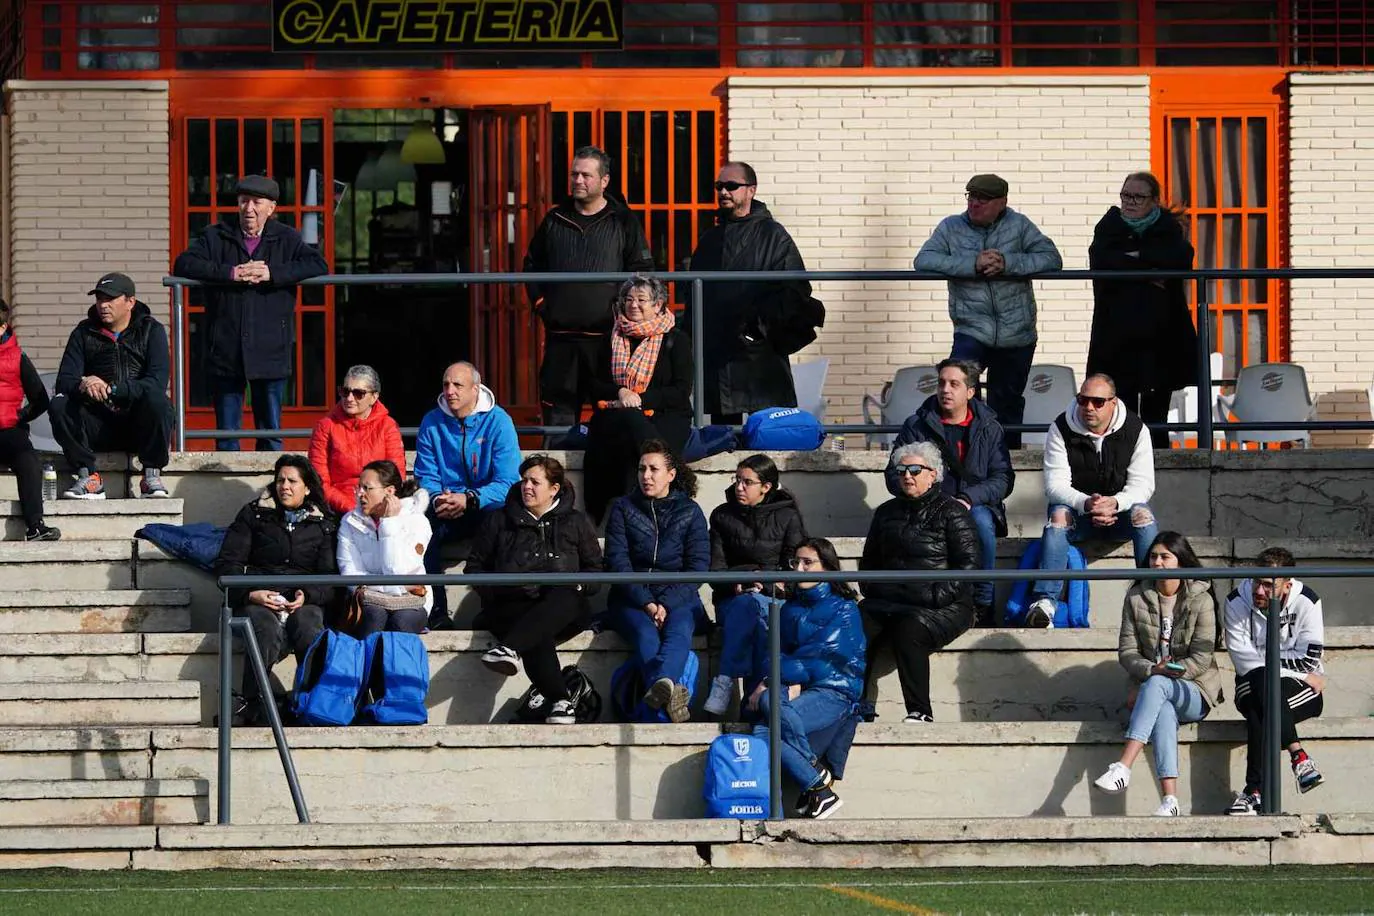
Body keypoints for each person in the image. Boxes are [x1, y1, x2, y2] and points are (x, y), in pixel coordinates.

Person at [172, 174, 328, 451]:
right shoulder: (216, 234)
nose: (249, 209)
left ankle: (273, 485)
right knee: (226, 434)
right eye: (244, 201)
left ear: (271, 208)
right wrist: (230, 273)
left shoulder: (286, 238)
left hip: (270, 344)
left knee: (270, 430)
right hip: (226, 344)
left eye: (257, 202)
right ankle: (225, 486)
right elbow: (184, 263)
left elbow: (317, 264)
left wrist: (272, 273)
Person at [914, 174, 1062, 448]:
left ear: (1002, 202)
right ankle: (962, 455)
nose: (975, 204)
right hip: (971, 329)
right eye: (971, 197)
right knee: (957, 390)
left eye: (983, 199)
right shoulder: (951, 227)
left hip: (1017, 332)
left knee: (1007, 403)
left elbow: (1052, 259)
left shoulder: (1019, 226)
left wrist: (1008, 263)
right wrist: (973, 264)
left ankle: (1008, 463)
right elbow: (923, 260)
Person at [523, 146, 655, 430]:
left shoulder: (623, 221)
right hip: (561, 340)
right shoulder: (554, 220)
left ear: (604, 181)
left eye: (586, 175)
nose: (578, 181)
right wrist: (541, 304)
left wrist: (628, 313)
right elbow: (531, 265)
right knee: (557, 421)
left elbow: (643, 272)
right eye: (574, 174)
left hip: (609, 340)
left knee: (610, 418)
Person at [466, 455, 604, 725]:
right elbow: (474, 568)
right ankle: (562, 701)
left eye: (535, 482)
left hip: (564, 609)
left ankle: (510, 647)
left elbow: (595, 572)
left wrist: (577, 583)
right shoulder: (498, 520)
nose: (526, 487)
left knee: (565, 594)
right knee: (533, 629)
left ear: (554, 489)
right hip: (511, 605)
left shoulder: (576, 522)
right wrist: (498, 591)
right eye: (524, 481)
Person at [1091, 532, 1222, 817]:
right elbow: (1127, 652)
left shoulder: (1201, 598)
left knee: (1159, 685)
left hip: (1195, 689)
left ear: (1181, 562)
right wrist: (1151, 671)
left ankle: (1123, 765)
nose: (1158, 562)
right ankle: (1170, 802)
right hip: (1155, 689)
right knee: (1161, 709)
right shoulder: (1137, 595)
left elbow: (1202, 659)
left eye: (1165, 557)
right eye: (1153, 556)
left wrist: (1160, 676)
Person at [687, 161, 821, 423]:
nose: (724, 191)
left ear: (751, 190)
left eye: (732, 186)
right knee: (723, 440)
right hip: (718, 356)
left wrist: (756, 328)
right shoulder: (710, 238)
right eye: (719, 186)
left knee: (769, 434)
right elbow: (693, 292)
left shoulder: (774, 235)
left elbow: (796, 288)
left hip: (761, 356)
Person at [1025, 373, 1158, 628]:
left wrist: (1115, 503)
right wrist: (1087, 503)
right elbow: (1055, 486)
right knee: (1058, 515)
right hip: (1079, 514)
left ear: (1113, 402)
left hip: (1119, 514)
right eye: (1083, 400)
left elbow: (1143, 485)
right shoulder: (1061, 427)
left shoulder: (1136, 429)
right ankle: (1045, 602)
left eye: (1098, 402)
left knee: (1144, 515)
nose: (1088, 407)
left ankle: (1149, 596)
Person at [859, 441, 980, 723]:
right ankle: (856, 704)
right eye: (901, 471)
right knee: (854, 626)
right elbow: (868, 564)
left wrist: (933, 596)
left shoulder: (953, 512)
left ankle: (920, 711)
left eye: (915, 470)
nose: (907, 476)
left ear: (933, 474)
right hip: (890, 599)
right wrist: (881, 590)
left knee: (909, 629)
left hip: (944, 605)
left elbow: (968, 568)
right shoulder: (885, 512)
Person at [214, 454, 338, 726]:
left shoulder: (324, 523)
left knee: (309, 627)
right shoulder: (253, 514)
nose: (285, 486)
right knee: (265, 631)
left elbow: (330, 580)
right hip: (259, 597)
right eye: (280, 480)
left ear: (307, 487)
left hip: (302, 600)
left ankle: (310, 702)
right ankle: (255, 705)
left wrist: (307, 595)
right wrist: (250, 594)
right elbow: (227, 564)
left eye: (292, 481)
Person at [749, 538, 865, 820]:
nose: (798, 569)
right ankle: (818, 784)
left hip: (834, 691)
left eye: (808, 563)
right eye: (795, 562)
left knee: (764, 731)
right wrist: (773, 678)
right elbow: (772, 654)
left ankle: (815, 779)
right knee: (765, 708)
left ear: (826, 568)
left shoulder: (844, 609)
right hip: (797, 685)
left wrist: (772, 678)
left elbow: (818, 660)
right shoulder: (789, 609)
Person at [890, 358, 1012, 625]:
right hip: (927, 504)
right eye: (941, 383)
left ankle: (983, 602)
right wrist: (918, 485)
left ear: (970, 392)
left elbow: (1003, 479)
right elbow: (892, 474)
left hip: (974, 505)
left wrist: (969, 498)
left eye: (954, 384)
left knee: (980, 521)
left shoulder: (989, 426)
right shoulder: (917, 425)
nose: (945, 389)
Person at [1088, 171, 1198, 449]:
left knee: (1155, 409)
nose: (1130, 202)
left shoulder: (1169, 228)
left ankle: (1160, 467)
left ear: (1154, 200)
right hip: (1117, 333)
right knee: (1120, 407)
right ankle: (1122, 468)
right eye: (1126, 195)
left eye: (1138, 197)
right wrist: (1149, 269)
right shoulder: (1109, 226)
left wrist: (1133, 260)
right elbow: (1101, 260)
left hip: (1160, 334)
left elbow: (1181, 258)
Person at [603, 441, 710, 723]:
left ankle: (660, 688)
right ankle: (669, 692)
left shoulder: (690, 511)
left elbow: (698, 567)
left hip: (679, 595)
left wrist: (666, 603)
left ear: (671, 475)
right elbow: (618, 562)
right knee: (645, 634)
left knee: (680, 631)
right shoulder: (622, 508)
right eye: (641, 469)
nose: (646, 476)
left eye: (653, 469)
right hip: (631, 597)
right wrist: (648, 603)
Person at [413, 361, 521, 629]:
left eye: (457, 385)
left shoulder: (499, 421)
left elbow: (508, 480)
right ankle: (435, 613)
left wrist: (471, 498)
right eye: (446, 384)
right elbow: (426, 474)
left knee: (502, 522)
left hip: (486, 504)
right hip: (446, 504)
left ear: (476, 389)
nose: (450, 391)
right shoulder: (431, 421)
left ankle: (495, 612)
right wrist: (438, 498)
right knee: (419, 527)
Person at [1223, 547, 1326, 815]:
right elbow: (1243, 661)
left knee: (1262, 707)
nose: (1259, 591)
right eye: (1257, 582)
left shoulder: (1308, 601)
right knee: (1260, 682)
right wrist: (1298, 673)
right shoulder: (1236, 601)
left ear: (1287, 585)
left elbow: (1310, 658)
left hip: (1298, 690)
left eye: (1269, 586)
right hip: (1251, 684)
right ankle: (1299, 756)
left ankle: (1253, 792)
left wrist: (1270, 666)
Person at [51, 272, 171, 500]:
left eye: (110, 299)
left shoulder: (151, 330)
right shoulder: (83, 333)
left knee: (158, 400)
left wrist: (113, 389)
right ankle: (89, 476)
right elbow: (65, 381)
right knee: (59, 403)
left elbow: (156, 381)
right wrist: (85, 384)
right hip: (97, 425)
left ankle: (151, 475)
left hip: (138, 425)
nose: (103, 305)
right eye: (99, 299)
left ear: (130, 302)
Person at [703, 453, 807, 717]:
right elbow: (716, 570)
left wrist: (765, 585)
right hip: (732, 599)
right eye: (737, 480)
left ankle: (725, 680)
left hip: (775, 599)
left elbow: (795, 570)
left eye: (747, 482)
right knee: (751, 610)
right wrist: (749, 578)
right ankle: (754, 709)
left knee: (762, 622)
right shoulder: (721, 516)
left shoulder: (788, 517)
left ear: (766, 487)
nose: (739, 487)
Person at [582, 276, 693, 522]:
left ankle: (631, 510)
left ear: (658, 305)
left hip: (665, 414)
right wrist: (620, 392)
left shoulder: (676, 339)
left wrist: (640, 399)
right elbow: (594, 385)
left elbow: (680, 391)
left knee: (633, 432)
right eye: (628, 299)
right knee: (621, 427)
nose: (633, 305)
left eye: (642, 300)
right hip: (616, 411)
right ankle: (671, 479)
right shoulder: (609, 338)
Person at [336, 459, 432, 638]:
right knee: (374, 615)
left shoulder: (417, 521)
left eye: (367, 488)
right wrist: (395, 588)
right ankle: (369, 667)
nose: (360, 494)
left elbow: (397, 571)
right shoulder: (349, 522)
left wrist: (389, 524)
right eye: (359, 488)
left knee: (401, 621)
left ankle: (395, 667)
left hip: (411, 602)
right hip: (369, 602)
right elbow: (350, 574)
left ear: (390, 491)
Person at [309, 365, 406, 515]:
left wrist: (375, 506)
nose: (349, 398)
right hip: (337, 508)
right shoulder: (325, 426)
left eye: (358, 393)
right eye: (345, 391)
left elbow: (396, 477)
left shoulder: (388, 426)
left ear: (374, 397)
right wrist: (351, 508)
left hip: (379, 506)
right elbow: (319, 482)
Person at [0, 299, 58, 540]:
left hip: (8, 431)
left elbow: (40, 400)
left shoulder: (17, 357)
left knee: (28, 459)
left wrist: (18, 416)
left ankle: (35, 526)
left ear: (3, 327)